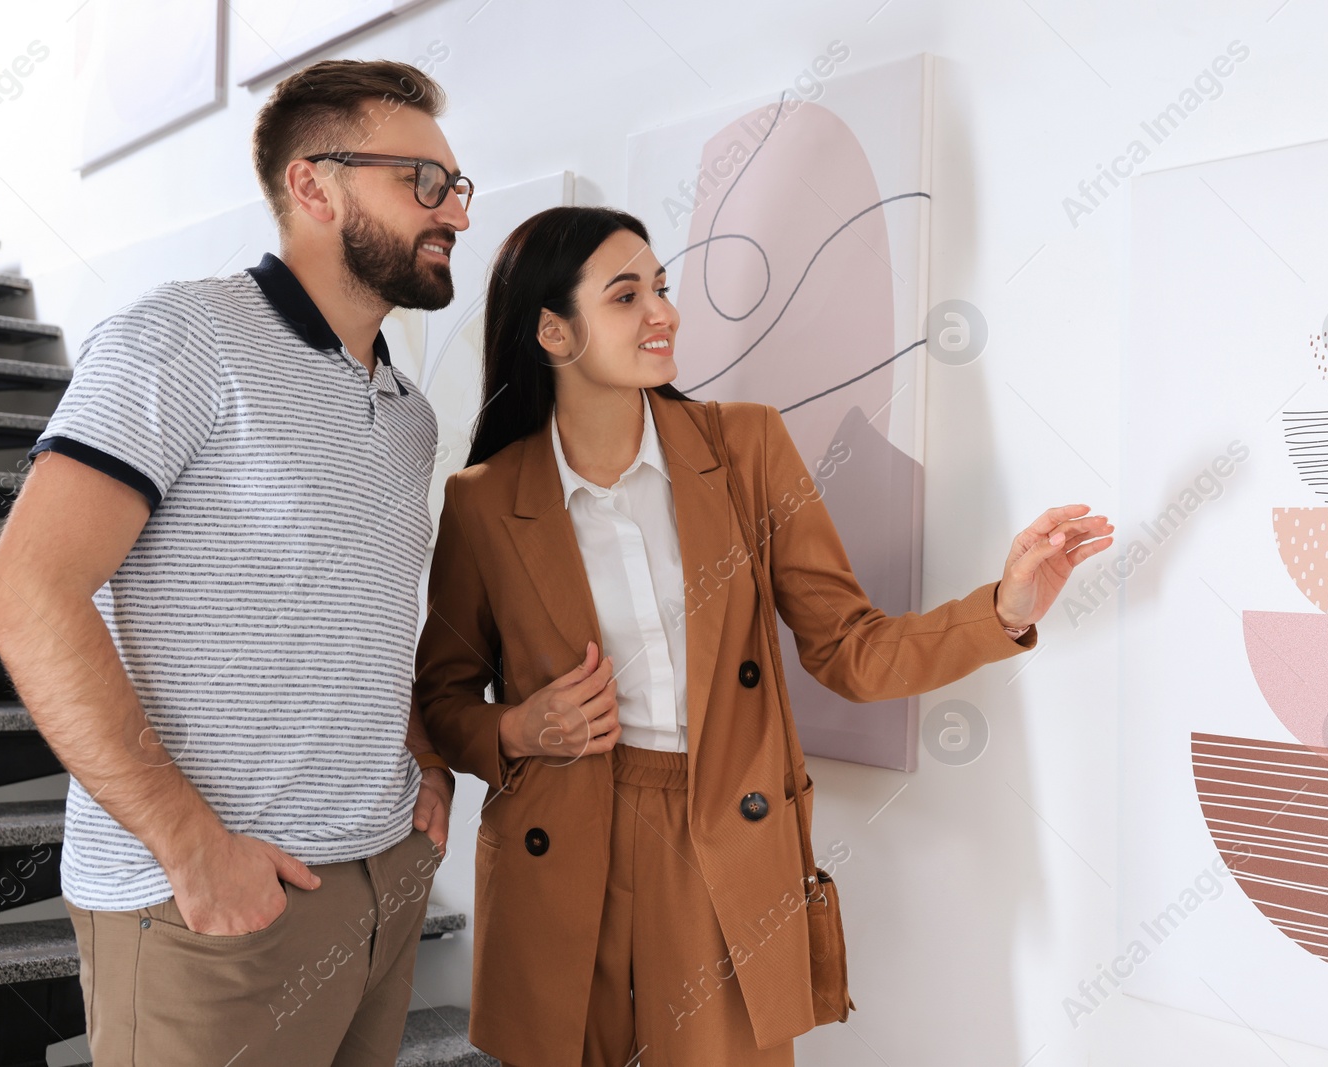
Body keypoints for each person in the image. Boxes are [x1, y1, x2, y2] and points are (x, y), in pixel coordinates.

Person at [413, 205, 1114, 1067]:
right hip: (558, 840)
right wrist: (516, 729)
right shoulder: (484, 500)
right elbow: (439, 699)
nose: (663, 313)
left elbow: (849, 648)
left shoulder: (744, 447)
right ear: (553, 332)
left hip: (719, 833)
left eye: (662, 288)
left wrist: (1004, 608)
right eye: (627, 295)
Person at [0, 59, 471, 1067]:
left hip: (379, 882)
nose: (453, 210)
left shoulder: (410, 415)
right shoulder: (181, 339)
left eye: (456, 186)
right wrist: (191, 847)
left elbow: (365, 612)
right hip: (214, 911)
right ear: (313, 185)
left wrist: (420, 756)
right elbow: (26, 597)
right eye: (424, 181)